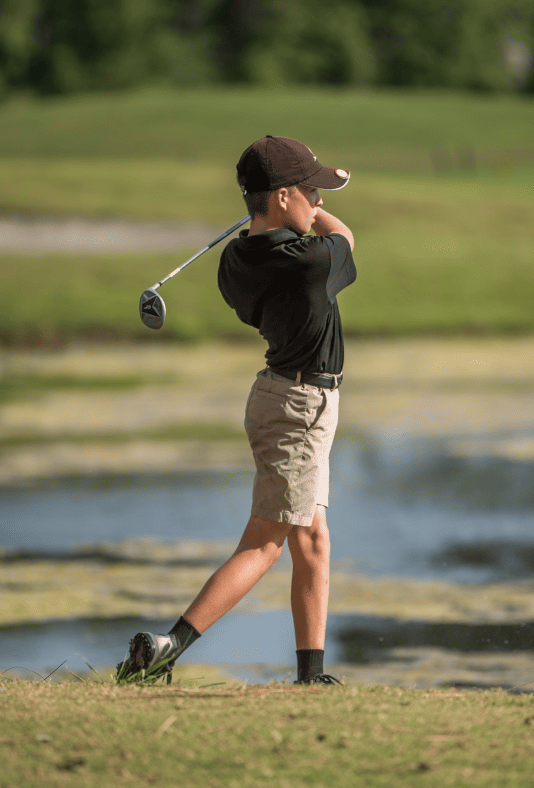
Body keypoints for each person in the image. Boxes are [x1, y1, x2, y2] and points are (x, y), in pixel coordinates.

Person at [117, 135, 356, 686]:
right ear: (281, 197)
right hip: (300, 409)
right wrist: (313, 214)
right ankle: (167, 647)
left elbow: (278, 231)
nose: (319, 201)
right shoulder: (311, 263)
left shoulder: (233, 262)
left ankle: (311, 675)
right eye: (312, 191)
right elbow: (343, 236)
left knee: (312, 537)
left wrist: (269, 212)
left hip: (281, 400)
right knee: (267, 541)